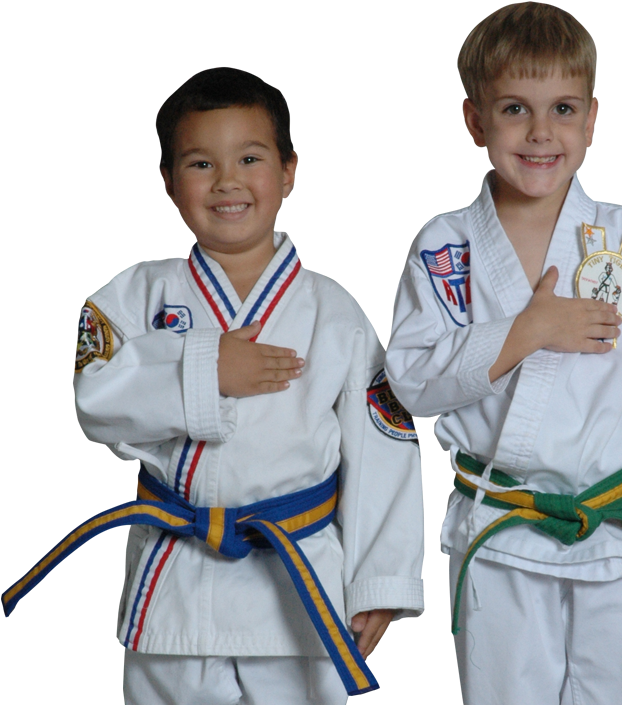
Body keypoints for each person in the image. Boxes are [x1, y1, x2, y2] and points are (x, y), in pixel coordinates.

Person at [4, 67, 424, 705]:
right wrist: (204, 371)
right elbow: (95, 401)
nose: (227, 181)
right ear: (169, 184)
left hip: (298, 589)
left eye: (249, 158)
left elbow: (382, 450)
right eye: (201, 164)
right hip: (175, 590)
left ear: (287, 172)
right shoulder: (135, 296)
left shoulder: (333, 310)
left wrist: (378, 584)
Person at [384, 4, 622, 704]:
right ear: (473, 122)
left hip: (616, 530)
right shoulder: (442, 245)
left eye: (561, 108)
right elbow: (410, 386)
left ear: (590, 120)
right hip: (496, 529)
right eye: (515, 108)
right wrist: (524, 331)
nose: (540, 132)